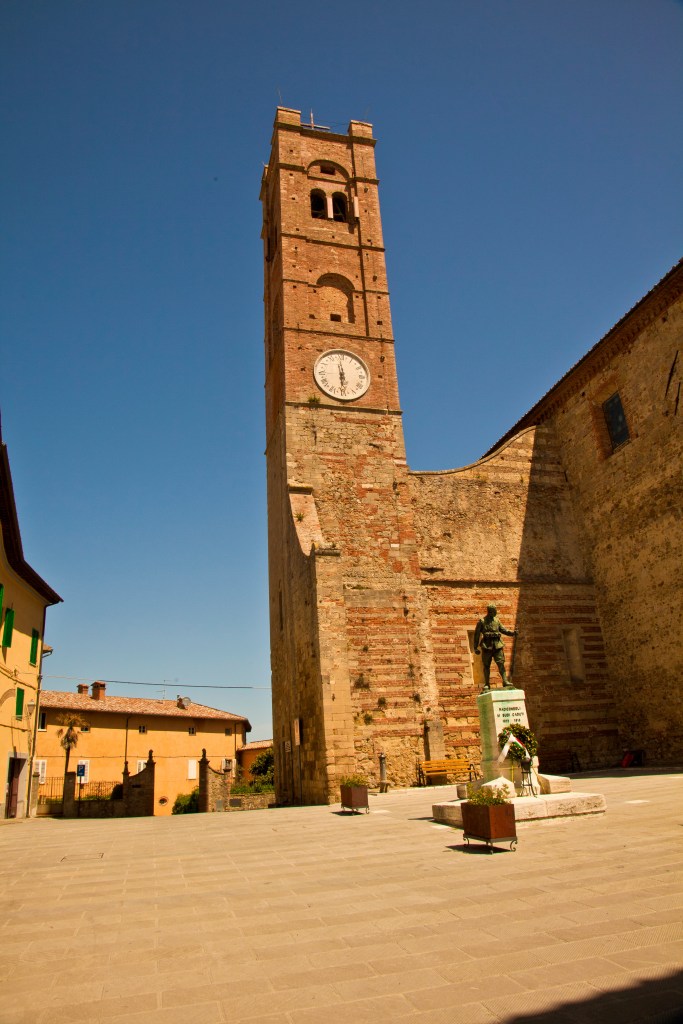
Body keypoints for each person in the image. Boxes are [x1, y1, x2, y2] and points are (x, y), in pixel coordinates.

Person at [473, 604, 518, 691]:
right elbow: (476, 635)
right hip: (486, 646)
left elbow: (503, 630)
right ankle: (487, 684)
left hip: (497, 645)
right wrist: (475, 647)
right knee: (486, 665)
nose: (495, 613)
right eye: (494, 611)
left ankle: (505, 681)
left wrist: (513, 633)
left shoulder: (497, 621)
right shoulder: (482, 621)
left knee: (501, 663)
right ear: (490, 612)